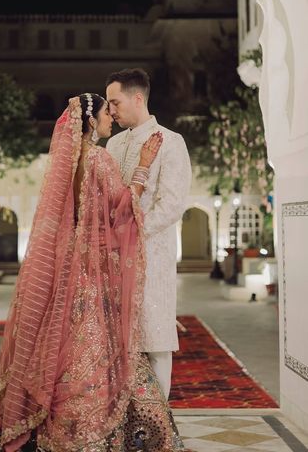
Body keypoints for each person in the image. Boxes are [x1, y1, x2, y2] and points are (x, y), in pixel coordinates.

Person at [0, 94, 187, 452]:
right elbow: (121, 212)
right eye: (107, 113)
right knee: (99, 346)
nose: (111, 118)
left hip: (67, 267)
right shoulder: (100, 157)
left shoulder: (69, 161)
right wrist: (144, 166)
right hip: (92, 273)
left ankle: (42, 422)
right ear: (92, 122)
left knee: (60, 343)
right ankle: (92, 430)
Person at [106, 69, 192, 401]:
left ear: (137, 98)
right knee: (119, 340)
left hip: (152, 255)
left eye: (115, 102)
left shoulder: (171, 142)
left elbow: (171, 205)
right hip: (114, 257)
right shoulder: (114, 144)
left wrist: (132, 233)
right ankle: (124, 423)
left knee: (155, 339)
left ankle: (159, 428)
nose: (111, 110)